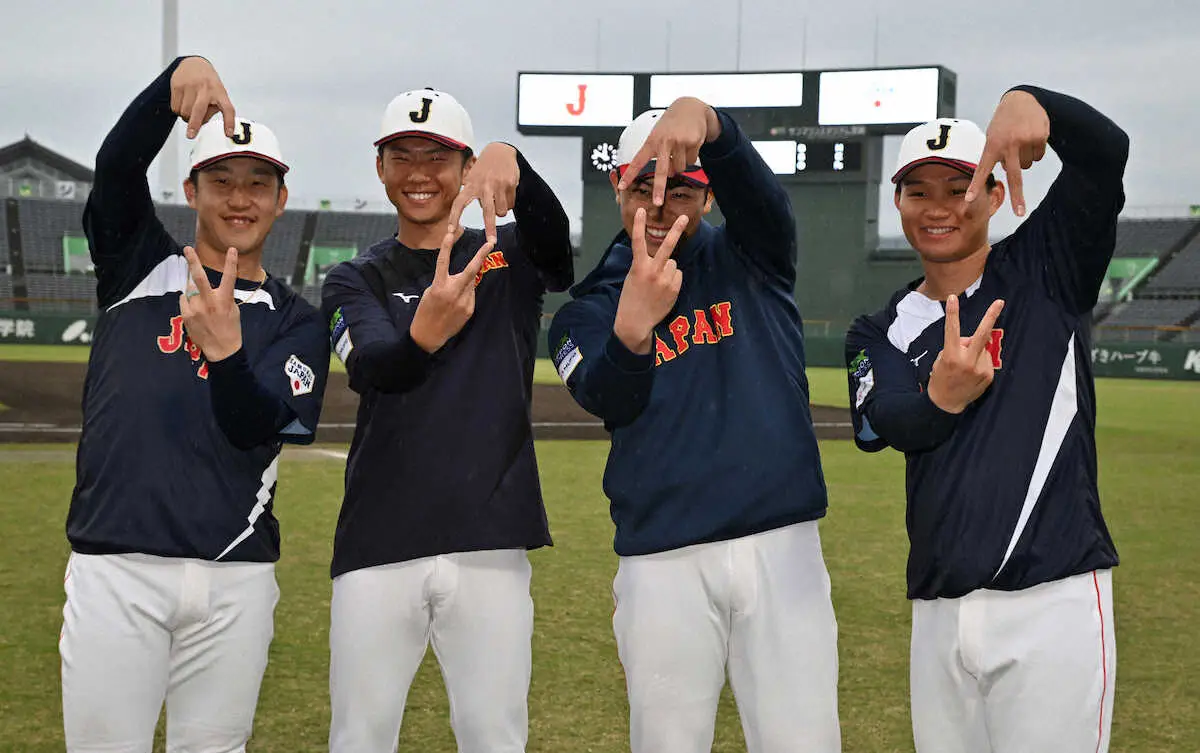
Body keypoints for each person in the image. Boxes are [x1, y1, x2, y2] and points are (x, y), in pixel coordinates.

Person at [548, 99, 840, 753]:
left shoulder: (753, 258)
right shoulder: (586, 310)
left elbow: (767, 204)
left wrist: (712, 124)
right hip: (662, 560)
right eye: (644, 183)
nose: (660, 202)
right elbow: (608, 398)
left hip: (782, 546)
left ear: (707, 197)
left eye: (679, 186)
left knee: (805, 740)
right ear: (618, 187)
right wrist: (632, 328)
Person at [844, 86, 1127, 752]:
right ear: (898, 203)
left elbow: (1106, 154)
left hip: (1050, 600)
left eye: (961, 186)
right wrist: (941, 396)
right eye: (920, 191)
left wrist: (1035, 103)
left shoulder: (1047, 267)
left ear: (997, 193)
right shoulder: (878, 330)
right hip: (939, 616)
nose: (939, 207)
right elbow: (881, 423)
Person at [60, 56, 330, 752]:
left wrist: (227, 354)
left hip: (233, 577)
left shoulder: (296, 319)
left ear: (279, 196)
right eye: (222, 180)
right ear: (191, 188)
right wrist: (176, 77)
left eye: (258, 184)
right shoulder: (139, 264)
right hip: (116, 568)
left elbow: (263, 428)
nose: (240, 198)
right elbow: (116, 167)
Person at [319, 88, 574, 753]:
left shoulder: (505, 256)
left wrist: (510, 155)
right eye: (402, 155)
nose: (420, 173)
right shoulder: (355, 277)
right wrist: (422, 336)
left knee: (493, 735)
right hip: (379, 540)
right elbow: (377, 368)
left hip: (490, 540)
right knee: (359, 736)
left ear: (465, 170)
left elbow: (559, 251)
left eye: (439, 157)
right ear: (380, 168)